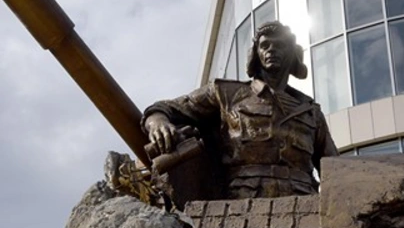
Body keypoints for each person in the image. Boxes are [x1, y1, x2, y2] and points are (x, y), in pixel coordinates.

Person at [143, 21, 338, 198]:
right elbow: (166, 108)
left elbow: (336, 170)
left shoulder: (311, 112)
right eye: (265, 45)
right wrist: (157, 123)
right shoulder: (226, 93)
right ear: (256, 54)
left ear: (292, 54)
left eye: (279, 45)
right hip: (242, 199)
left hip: (303, 200)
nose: (271, 50)